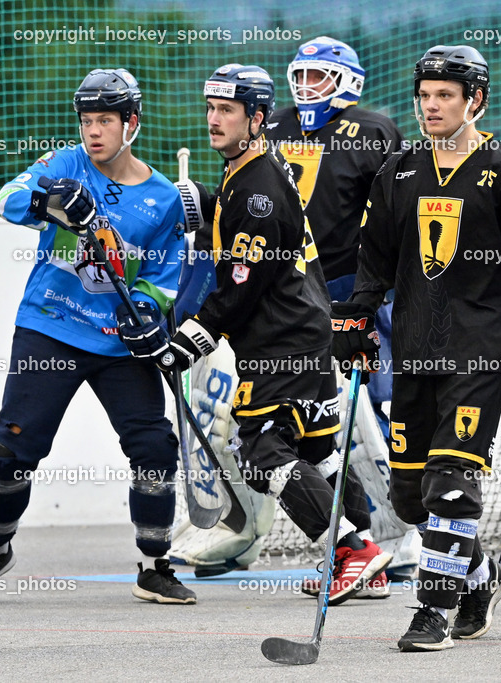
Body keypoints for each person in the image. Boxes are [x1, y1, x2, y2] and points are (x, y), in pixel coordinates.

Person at [331, 45, 501, 651]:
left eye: (445, 95)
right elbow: (372, 259)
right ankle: (477, 581)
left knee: (452, 483)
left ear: (474, 99)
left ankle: (432, 612)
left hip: (477, 354)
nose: (431, 106)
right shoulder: (398, 172)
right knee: (410, 494)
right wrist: (353, 320)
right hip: (414, 350)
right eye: (425, 95)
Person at [135, 63, 391, 605]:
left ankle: (351, 552)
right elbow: (249, 232)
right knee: (319, 452)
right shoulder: (253, 170)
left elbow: (241, 285)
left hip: (280, 345)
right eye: (210, 108)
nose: (214, 119)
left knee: (261, 453)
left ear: (256, 117)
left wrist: (190, 338)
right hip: (306, 333)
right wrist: (206, 203)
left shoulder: (256, 188)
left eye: (227, 110)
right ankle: (370, 555)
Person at [0, 68, 196, 606]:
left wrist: (148, 313)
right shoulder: (66, 163)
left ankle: (156, 566)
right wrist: (50, 205)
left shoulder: (164, 198)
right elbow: (8, 198)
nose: (93, 132)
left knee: (155, 449)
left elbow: (163, 275)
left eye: (105, 120)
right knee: (10, 450)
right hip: (51, 328)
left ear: (131, 123)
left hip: (119, 344)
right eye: (87, 121)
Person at [265, 36, 405, 599]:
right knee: (325, 424)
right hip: (296, 296)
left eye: (320, 77)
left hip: (356, 293)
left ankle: (408, 532)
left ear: (348, 83)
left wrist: (381, 294)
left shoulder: (371, 130)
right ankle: (363, 541)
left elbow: (396, 213)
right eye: (301, 75)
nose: (306, 88)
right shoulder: (274, 125)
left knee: (377, 408)